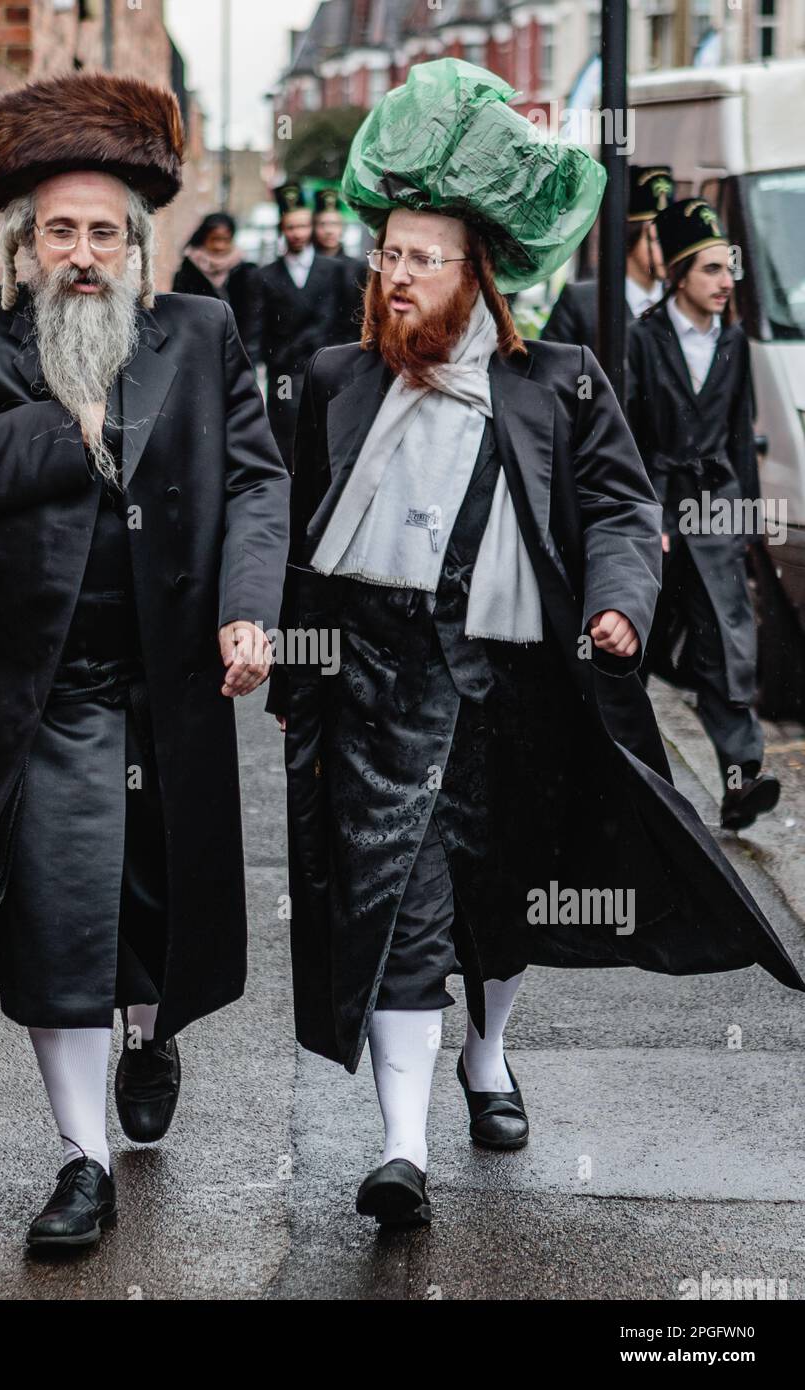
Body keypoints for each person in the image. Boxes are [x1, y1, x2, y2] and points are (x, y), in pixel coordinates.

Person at [266, 60, 803, 1230]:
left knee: (503, 909)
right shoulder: (331, 382)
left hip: (518, 688)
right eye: (387, 254)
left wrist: (615, 602)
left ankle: (489, 1054)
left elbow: (619, 508)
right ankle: (400, 1149)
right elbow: (290, 531)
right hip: (378, 691)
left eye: (419, 259)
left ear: (477, 274)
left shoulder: (556, 382)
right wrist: (286, 662)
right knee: (397, 917)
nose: (392, 276)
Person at [0, 71, 289, 1250]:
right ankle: (81, 1161)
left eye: (106, 232)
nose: (84, 253)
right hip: (35, 691)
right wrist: (67, 426)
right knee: (60, 921)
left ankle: (152, 1036)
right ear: (24, 245)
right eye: (62, 231)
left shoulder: (200, 332)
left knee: (154, 902)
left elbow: (255, 478)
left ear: (140, 247)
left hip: (170, 682)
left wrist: (251, 607)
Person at [627, 198, 780, 830]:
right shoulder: (643, 338)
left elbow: (741, 433)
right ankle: (625, 778)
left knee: (725, 642)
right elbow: (629, 434)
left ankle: (741, 780)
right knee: (638, 643)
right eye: (713, 269)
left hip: (714, 511)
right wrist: (643, 518)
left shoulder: (736, 341)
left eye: (729, 270)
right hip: (657, 508)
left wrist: (743, 521)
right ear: (681, 274)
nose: (726, 282)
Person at [258, 181, 344, 465]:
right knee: (286, 448)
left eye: (303, 226)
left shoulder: (335, 270)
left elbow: (342, 322)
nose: (298, 234)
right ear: (282, 229)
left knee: (325, 444)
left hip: (325, 370)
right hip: (285, 374)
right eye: (291, 227)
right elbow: (255, 332)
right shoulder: (264, 276)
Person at [540, 165, 672, 349]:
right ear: (629, 237)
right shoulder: (581, 302)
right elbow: (550, 368)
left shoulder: (678, 303)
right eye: (658, 238)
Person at [172, 211, 261, 364]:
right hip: (197, 350)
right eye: (214, 239)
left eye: (225, 240)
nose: (220, 246)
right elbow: (180, 314)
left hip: (236, 350)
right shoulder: (188, 271)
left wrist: (247, 353)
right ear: (204, 239)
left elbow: (253, 315)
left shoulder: (245, 271)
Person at [312, 186, 366, 345]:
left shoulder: (357, 268)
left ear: (342, 227)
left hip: (347, 345)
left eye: (334, 224)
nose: (329, 230)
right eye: (323, 224)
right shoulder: (305, 267)